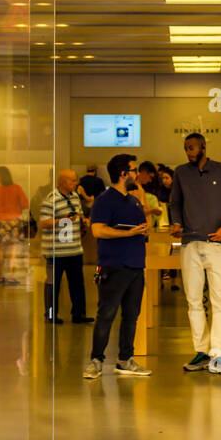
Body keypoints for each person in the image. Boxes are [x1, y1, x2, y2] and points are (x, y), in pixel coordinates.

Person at [170, 132, 221, 376]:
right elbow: (175, 203)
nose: (189, 152)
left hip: (215, 244)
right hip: (189, 244)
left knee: (220, 299)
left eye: (192, 147)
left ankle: (218, 353)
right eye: (186, 148)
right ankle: (200, 350)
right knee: (193, 300)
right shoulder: (180, 172)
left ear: (203, 147)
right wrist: (176, 223)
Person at [83, 154, 151, 378]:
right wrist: (128, 232)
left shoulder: (134, 200)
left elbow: (140, 226)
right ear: (123, 174)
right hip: (113, 267)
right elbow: (97, 230)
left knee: (131, 315)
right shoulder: (105, 200)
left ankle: (125, 359)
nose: (137, 174)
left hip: (135, 267)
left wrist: (142, 231)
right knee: (106, 314)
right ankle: (96, 360)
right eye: (134, 170)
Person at [40, 168, 94, 324]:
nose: (76, 183)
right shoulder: (51, 199)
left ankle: (79, 314)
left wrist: (83, 220)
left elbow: (79, 214)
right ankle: (51, 314)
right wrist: (61, 220)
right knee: (53, 284)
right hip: (56, 251)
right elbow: (44, 222)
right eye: (73, 180)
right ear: (63, 182)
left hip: (74, 249)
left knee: (77, 283)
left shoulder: (75, 197)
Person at [0, 165, 29, 286]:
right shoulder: (17, 189)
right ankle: (11, 276)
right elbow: (25, 204)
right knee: (12, 250)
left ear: (0, 176)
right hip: (14, 221)